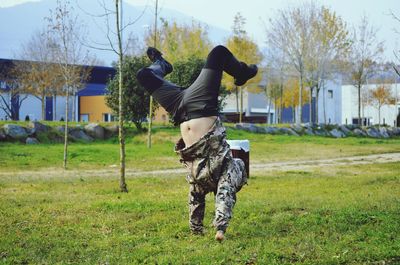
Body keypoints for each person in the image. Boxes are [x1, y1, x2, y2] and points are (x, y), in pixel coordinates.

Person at [136, 45, 258, 241]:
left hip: (178, 107)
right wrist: (220, 229)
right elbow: (225, 196)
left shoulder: (199, 179)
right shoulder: (229, 169)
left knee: (144, 75)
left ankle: (161, 64)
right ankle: (242, 72)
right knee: (218, 53)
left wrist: (196, 229)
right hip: (201, 104)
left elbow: (195, 200)